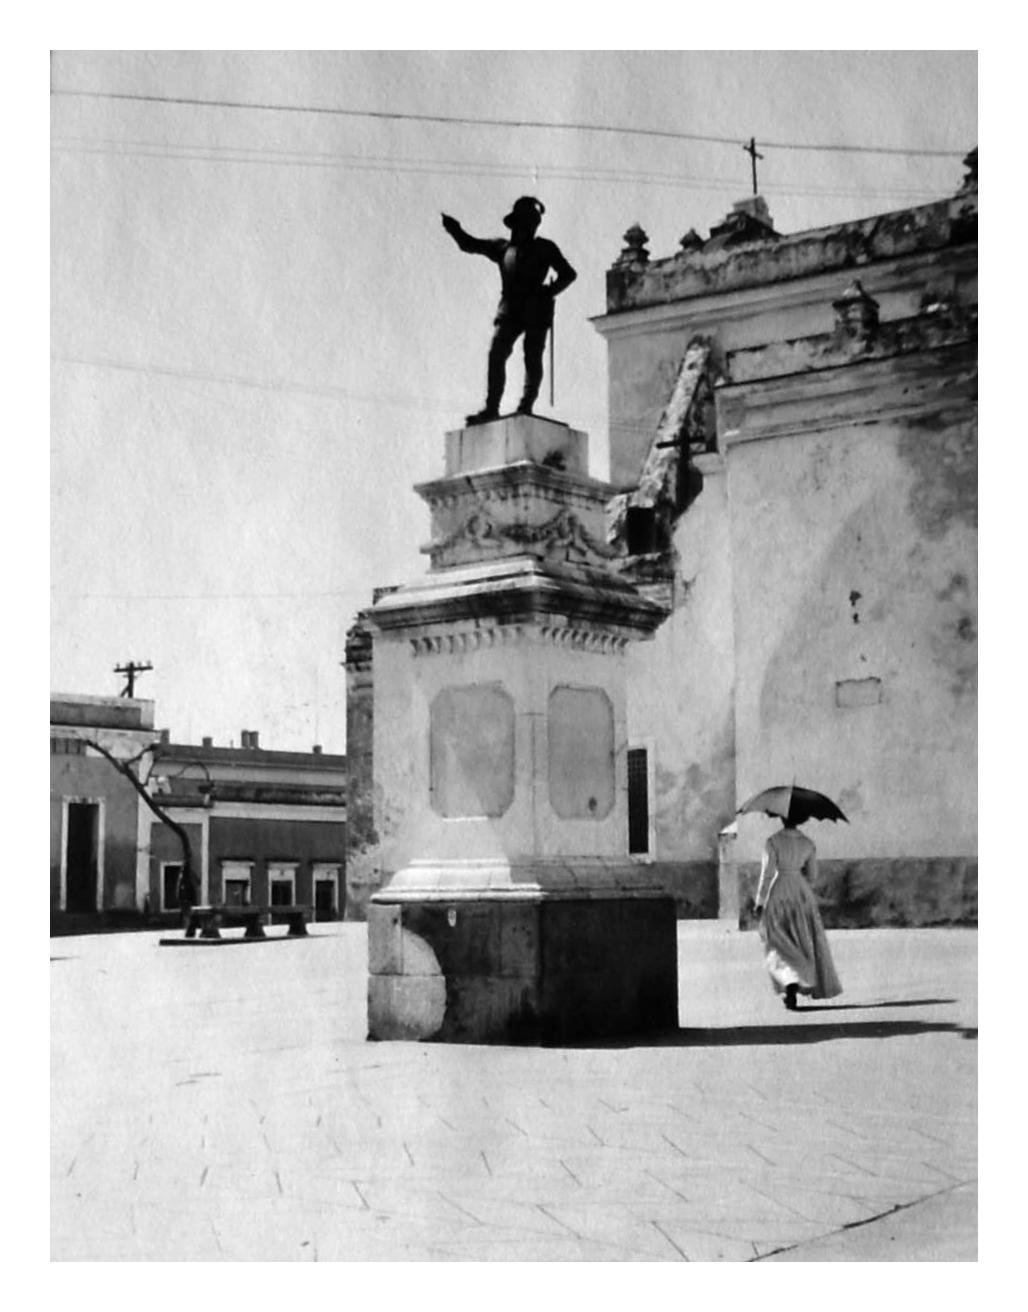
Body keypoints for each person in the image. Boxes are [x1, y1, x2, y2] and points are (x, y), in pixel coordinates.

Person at [441, 197, 577, 425]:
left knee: (532, 356)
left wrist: (549, 291)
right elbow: (469, 244)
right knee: (496, 354)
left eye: (528, 223)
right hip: (510, 309)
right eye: (520, 223)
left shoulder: (544, 248)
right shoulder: (503, 248)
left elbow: (568, 274)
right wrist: (454, 230)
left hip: (535, 308)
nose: (523, 228)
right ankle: (491, 408)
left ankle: (526, 405)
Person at [753, 819, 842, 1009]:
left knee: (778, 940)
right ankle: (801, 975)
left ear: (782, 817)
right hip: (801, 893)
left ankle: (790, 979)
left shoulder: (773, 842)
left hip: (779, 891)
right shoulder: (808, 843)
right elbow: (812, 876)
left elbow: (767, 873)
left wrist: (760, 901)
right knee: (802, 937)